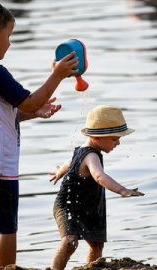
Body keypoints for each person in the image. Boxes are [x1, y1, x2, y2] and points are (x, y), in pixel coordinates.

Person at [0, 0, 79, 267]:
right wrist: (57, 75)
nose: (9, 44)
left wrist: (33, 113)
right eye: (8, 36)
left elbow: (0, 112)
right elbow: (29, 101)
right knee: (7, 226)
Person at [49, 105, 144, 270]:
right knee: (70, 241)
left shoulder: (83, 151)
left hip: (88, 205)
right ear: (98, 138)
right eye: (114, 139)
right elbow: (99, 176)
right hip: (69, 206)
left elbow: (69, 163)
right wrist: (122, 190)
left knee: (96, 243)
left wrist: (60, 171)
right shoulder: (91, 155)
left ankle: (91, 268)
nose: (118, 143)